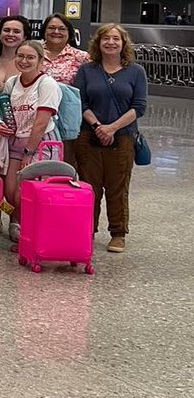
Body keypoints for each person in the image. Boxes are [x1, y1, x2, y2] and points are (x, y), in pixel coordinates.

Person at [73, 24, 148, 254]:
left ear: (124, 44)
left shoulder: (136, 72)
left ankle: (118, 233)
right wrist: (98, 126)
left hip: (123, 138)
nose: (111, 43)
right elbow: (81, 102)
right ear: (98, 43)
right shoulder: (87, 71)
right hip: (89, 136)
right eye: (106, 38)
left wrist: (112, 128)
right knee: (89, 186)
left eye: (116, 39)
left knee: (118, 187)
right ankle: (87, 230)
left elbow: (139, 107)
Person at [0, 40, 62, 244]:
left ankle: (30, 231)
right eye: (20, 56)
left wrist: (29, 153)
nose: (24, 61)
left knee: (27, 192)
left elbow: (41, 123)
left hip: (38, 145)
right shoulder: (12, 82)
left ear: (41, 61)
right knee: (10, 192)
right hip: (14, 142)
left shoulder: (47, 83)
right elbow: (3, 111)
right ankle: (19, 224)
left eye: (30, 57)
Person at [40, 13, 90, 85]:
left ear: (69, 32)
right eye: (51, 28)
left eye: (62, 29)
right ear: (44, 30)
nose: (56, 32)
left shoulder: (82, 57)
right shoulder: (34, 52)